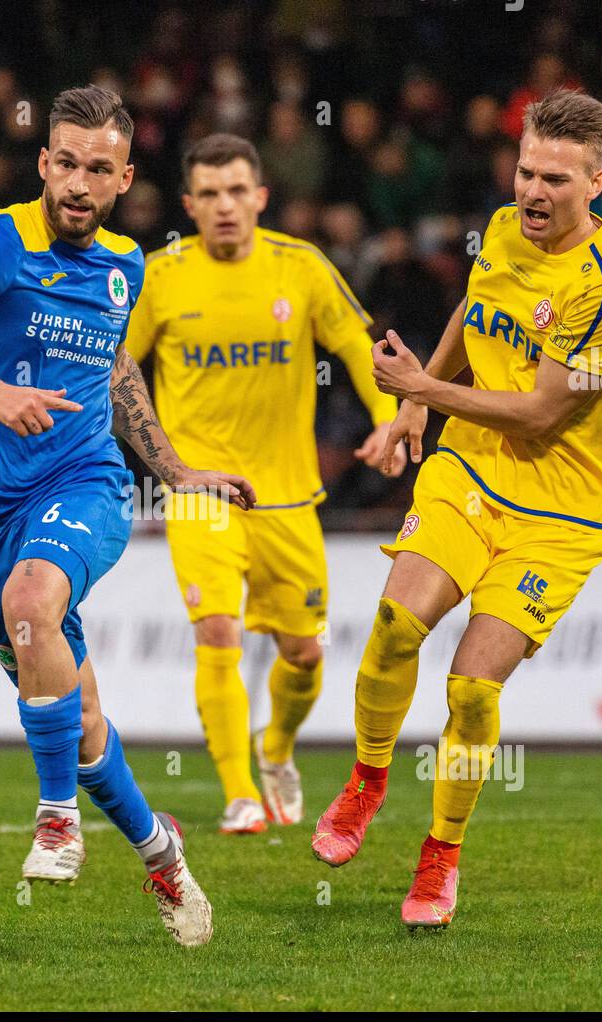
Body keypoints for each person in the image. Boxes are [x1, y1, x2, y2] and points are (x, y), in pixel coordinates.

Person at [0, 86, 254, 947]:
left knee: (33, 597)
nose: (79, 183)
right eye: (66, 163)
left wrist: (175, 468)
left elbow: (114, 371)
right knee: (78, 720)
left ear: (125, 179)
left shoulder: (126, 264)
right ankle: (164, 855)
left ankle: (54, 821)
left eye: (99, 169)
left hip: (85, 483)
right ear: (44, 163)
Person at [312, 89, 602, 929]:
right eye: (526, 171)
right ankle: (367, 777)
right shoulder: (505, 228)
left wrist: (425, 389)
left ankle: (440, 856)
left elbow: (543, 412)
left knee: (470, 686)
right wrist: (418, 407)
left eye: (556, 180)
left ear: (599, 183)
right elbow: (475, 310)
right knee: (396, 625)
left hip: (560, 512)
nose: (534, 192)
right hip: (469, 470)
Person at [125, 133, 402, 833]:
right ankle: (239, 792)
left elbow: (359, 348)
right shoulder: (160, 277)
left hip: (287, 496)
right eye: (210, 194)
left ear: (261, 198)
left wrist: (388, 422)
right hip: (199, 492)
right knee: (215, 630)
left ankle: (275, 745)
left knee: (303, 654)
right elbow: (115, 372)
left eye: (237, 191)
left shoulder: (300, 267)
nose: (225, 206)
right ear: (189, 204)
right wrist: (157, 459)